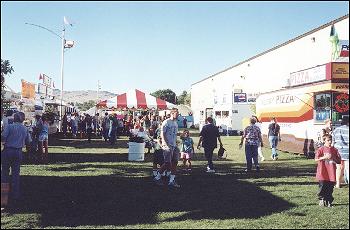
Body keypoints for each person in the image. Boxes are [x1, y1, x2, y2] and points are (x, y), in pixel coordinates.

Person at [1, 112, 32, 209]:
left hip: (8, 150)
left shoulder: (9, 127)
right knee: (15, 174)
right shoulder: (25, 129)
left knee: (5, 172)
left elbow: (3, 137)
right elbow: (29, 142)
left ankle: (4, 197)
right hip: (18, 152)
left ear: (15, 118)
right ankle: (15, 195)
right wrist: (28, 152)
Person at [153, 108, 181, 188]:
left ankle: (171, 180)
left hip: (174, 145)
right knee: (167, 163)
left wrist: (176, 141)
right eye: (177, 113)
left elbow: (175, 134)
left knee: (175, 161)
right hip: (167, 145)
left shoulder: (175, 123)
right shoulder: (166, 122)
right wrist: (165, 144)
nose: (178, 115)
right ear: (172, 113)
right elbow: (163, 134)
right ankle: (157, 177)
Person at [315, 134, 341, 207]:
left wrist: (333, 158)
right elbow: (316, 159)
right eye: (328, 140)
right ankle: (322, 199)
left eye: (331, 140)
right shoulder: (321, 149)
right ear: (324, 141)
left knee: (330, 188)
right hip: (323, 172)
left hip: (331, 173)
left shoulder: (334, 150)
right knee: (322, 187)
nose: (330, 142)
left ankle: (329, 201)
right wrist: (324, 157)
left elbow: (338, 161)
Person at [332, 116, 349, 188]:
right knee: (348, 168)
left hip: (338, 151)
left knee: (339, 168)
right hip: (347, 151)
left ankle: (338, 184)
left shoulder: (336, 130)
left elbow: (333, 142)